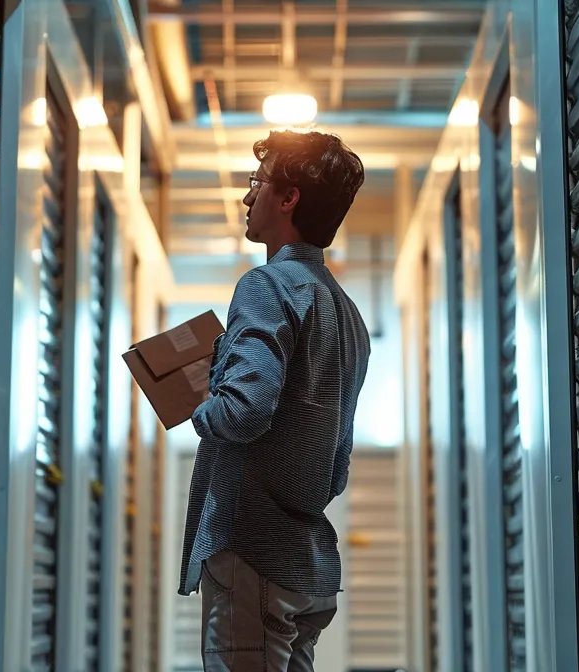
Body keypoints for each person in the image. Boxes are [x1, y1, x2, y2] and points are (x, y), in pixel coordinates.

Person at [177, 129, 371, 672]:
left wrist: (201, 407)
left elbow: (243, 411)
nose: (247, 196)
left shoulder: (267, 286)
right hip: (304, 564)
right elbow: (337, 462)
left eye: (257, 183)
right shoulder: (348, 313)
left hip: (252, 553)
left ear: (288, 198)